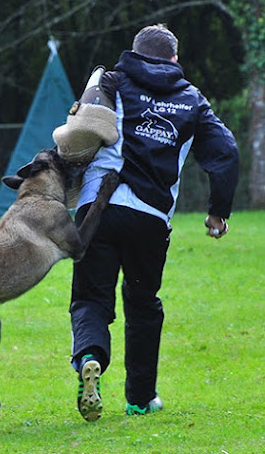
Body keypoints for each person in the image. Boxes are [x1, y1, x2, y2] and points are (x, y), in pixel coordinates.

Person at [69, 24, 239, 421]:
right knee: (144, 304)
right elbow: (226, 151)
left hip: (99, 208)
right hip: (150, 217)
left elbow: (78, 130)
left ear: (134, 52)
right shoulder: (191, 99)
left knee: (91, 298)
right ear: (174, 60)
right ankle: (140, 399)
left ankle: (91, 356)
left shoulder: (111, 81)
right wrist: (218, 211)